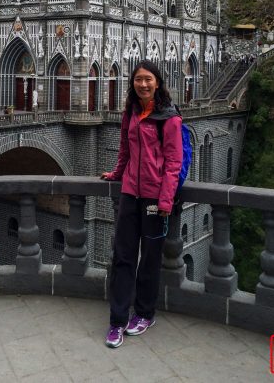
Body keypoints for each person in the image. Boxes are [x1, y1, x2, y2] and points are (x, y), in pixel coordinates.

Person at [101, 60, 183, 349]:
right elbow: (125, 149)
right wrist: (117, 173)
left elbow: (174, 162)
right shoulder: (131, 112)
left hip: (153, 198)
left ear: (157, 83)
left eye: (148, 79)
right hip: (129, 193)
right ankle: (117, 321)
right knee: (122, 256)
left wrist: (165, 199)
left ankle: (145, 313)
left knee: (149, 258)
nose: (143, 84)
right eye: (138, 79)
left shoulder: (169, 117)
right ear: (133, 83)